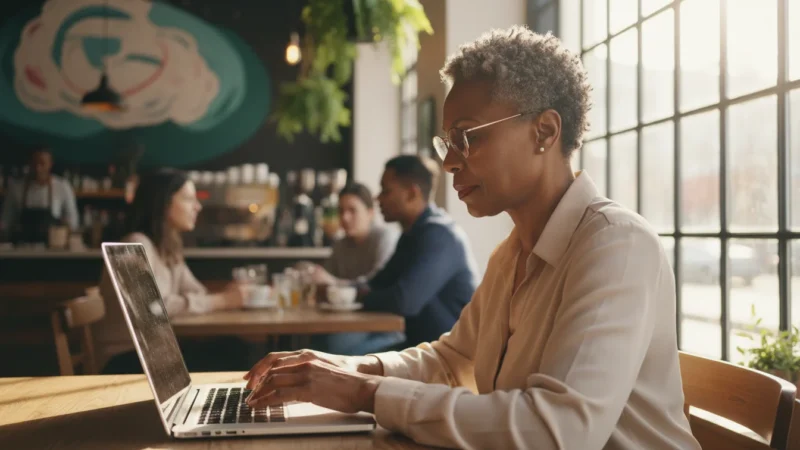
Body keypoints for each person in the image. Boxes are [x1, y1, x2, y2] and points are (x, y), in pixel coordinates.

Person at [242, 26, 701, 449]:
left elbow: (559, 431)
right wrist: (346, 368)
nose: (448, 163)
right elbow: (451, 361)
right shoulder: (514, 253)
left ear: (544, 132)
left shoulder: (616, 246)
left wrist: (365, 391)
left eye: (467, 137)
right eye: (448, 142)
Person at [310, 155, 479, 354]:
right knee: (326, 347)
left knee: (335, 351)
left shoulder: (440, 235)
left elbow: (404, 301)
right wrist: (339, 290)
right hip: (422, 348)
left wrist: (354, 294)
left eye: (386, 191)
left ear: (411, 194)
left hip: (452, 356)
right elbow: (378, 283)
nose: (377, 198)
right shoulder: (411, 235)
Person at [95, 169, 248, 374]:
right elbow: (153, 311)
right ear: (163, 203)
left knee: (235, 347)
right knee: (234, 352)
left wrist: (225, 296)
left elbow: (198, 292)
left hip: (154, 354)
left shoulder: (168, 247)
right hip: (125, 360)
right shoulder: (135, 245)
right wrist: (224, 300)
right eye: (188, 199)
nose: (198, 206)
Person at [315, 182, 399, 282]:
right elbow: (325, 277)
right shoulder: (340, 245)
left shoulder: (385, 238)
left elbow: (379, 282)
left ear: (370, 213)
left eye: (352, 210)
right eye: (341, 211)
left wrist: (334, 282)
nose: (345, 218)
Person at [0, 148, 79, 242]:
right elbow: (5, 221)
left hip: (53, 247)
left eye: (42, 163)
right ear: (29, 164)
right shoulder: (16, 188)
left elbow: (72, 222)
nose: (38, 168)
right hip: (22, 247)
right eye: (34, 164)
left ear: (50, 164)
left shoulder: (62, 187)